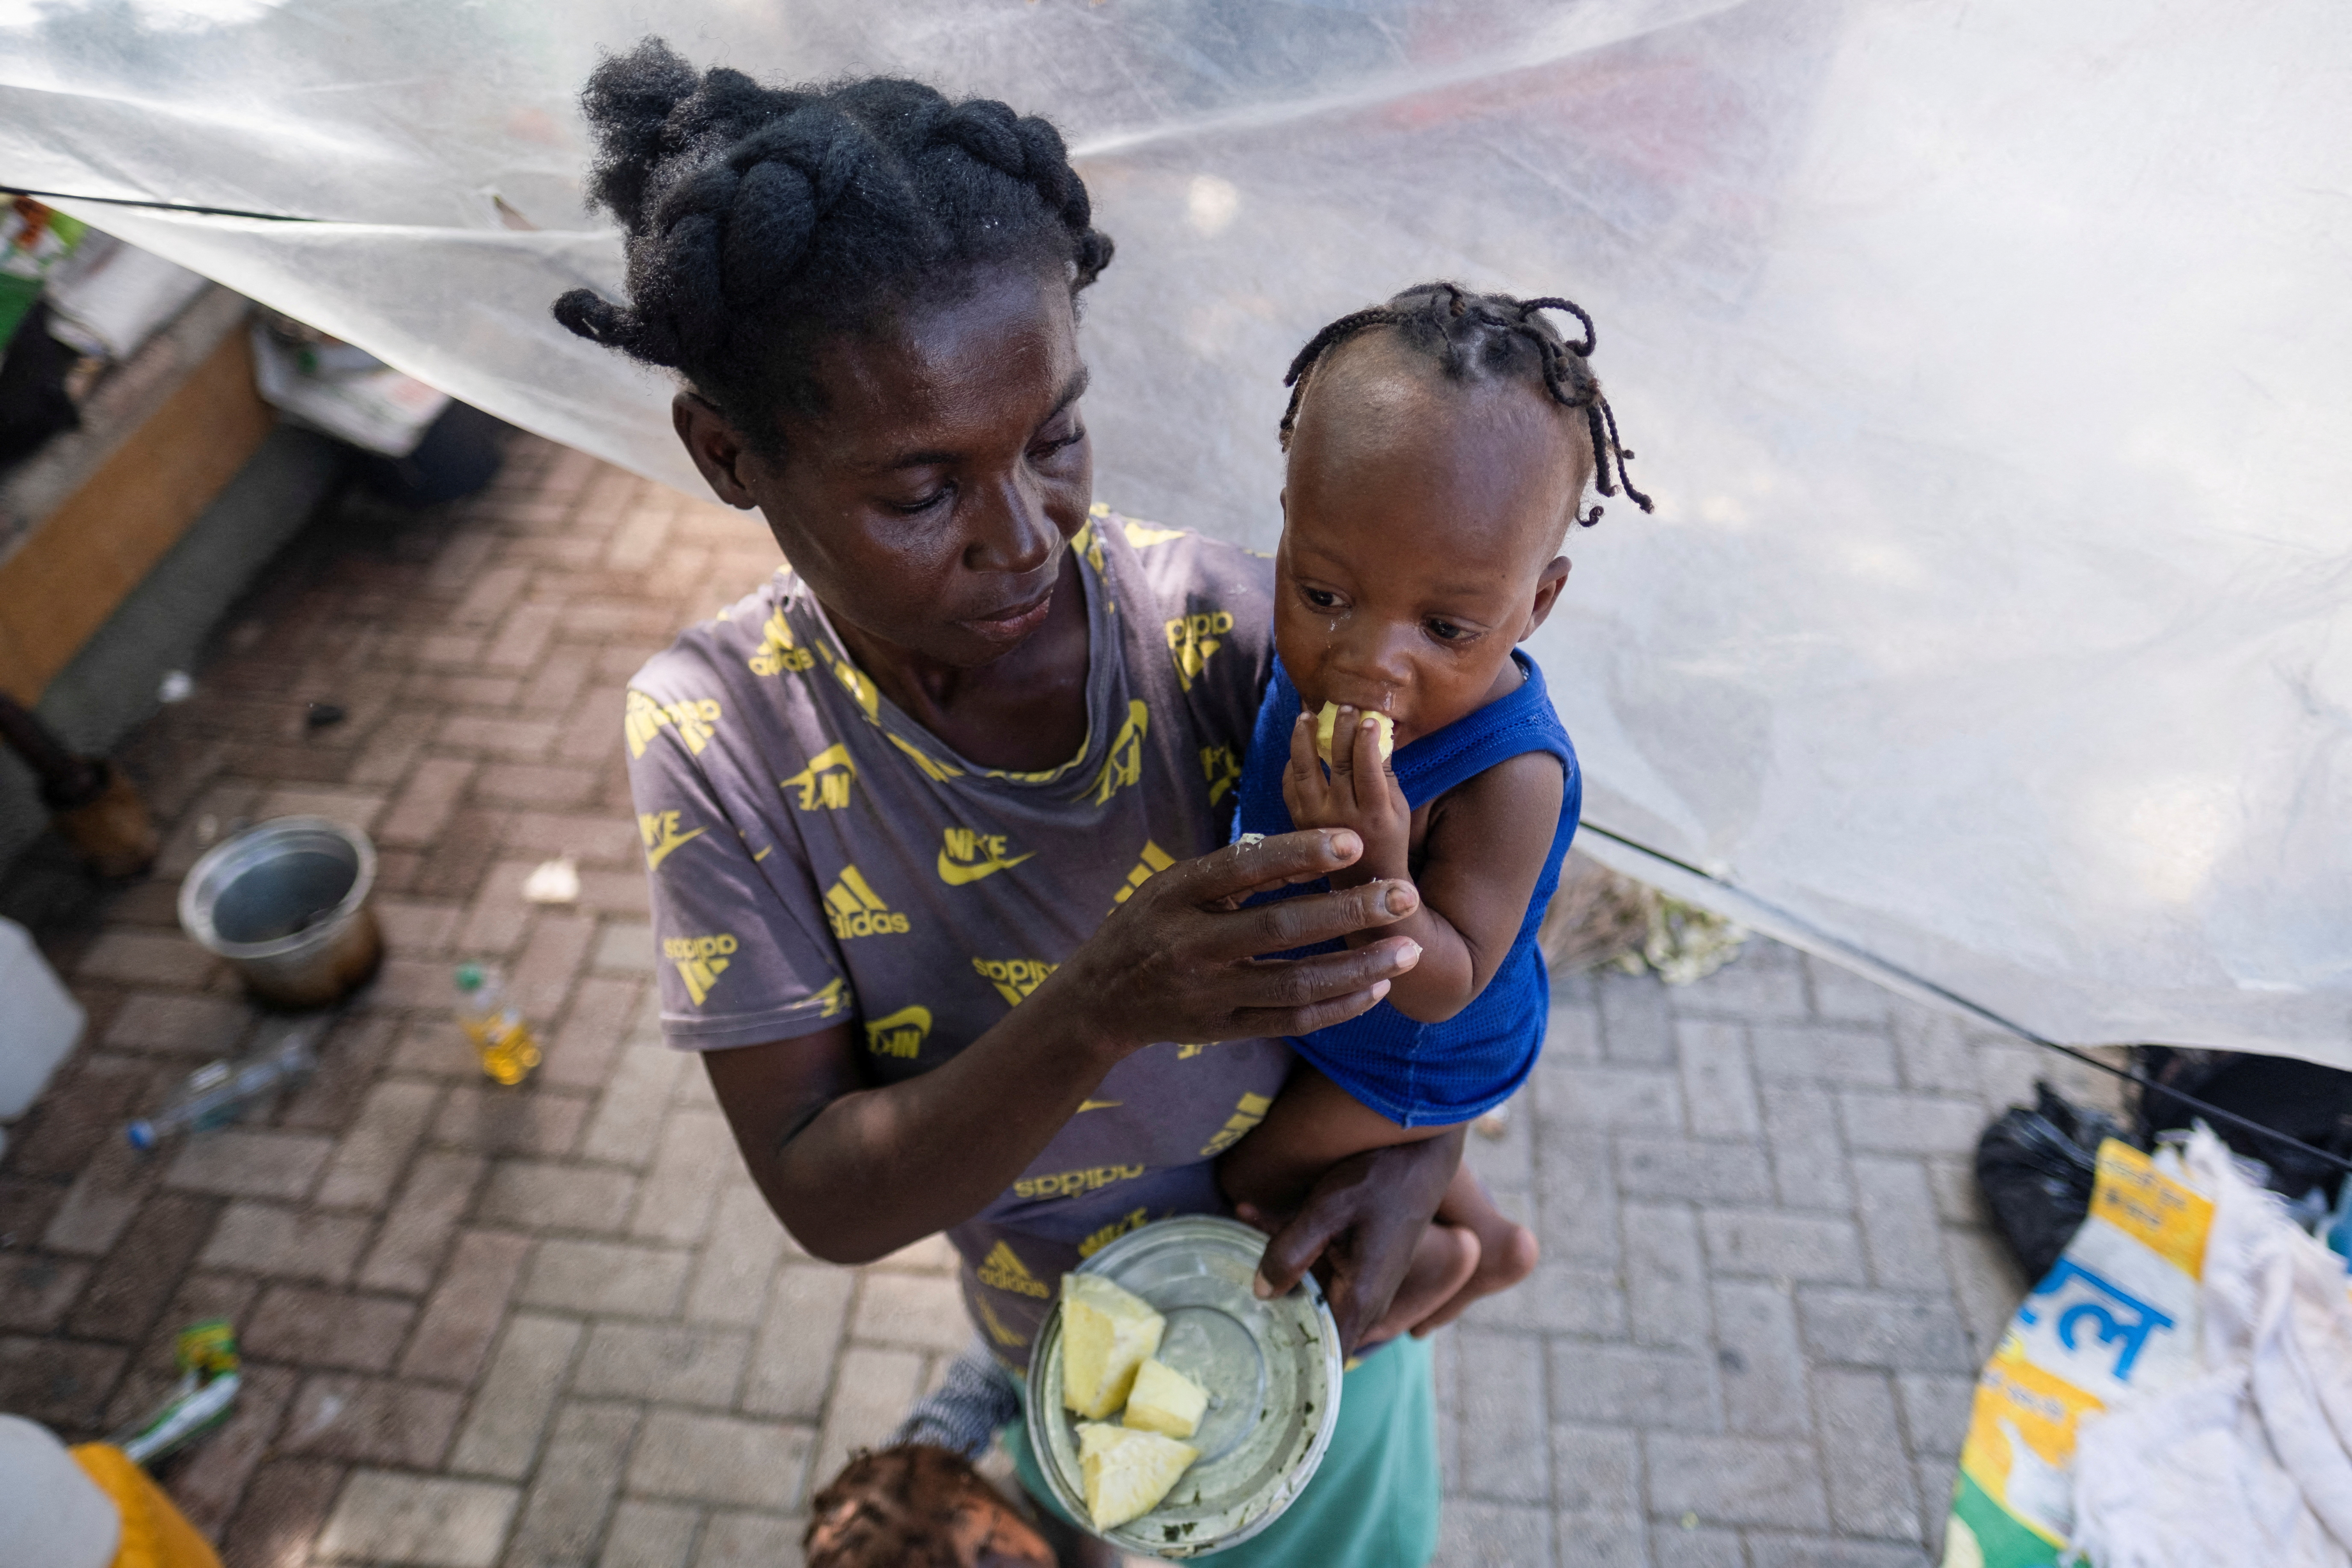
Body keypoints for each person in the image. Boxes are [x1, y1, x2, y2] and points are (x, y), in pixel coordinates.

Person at [556, 39, 1524, 1567]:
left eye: (1055, 435)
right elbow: (827, 1188)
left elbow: (1484, 898)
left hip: (1324, 1321)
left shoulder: (1230, 647)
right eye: (920, 489)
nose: (1025, 537)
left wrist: (1425, 1134)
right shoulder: (722, 740)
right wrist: (1101, 1004)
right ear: (729, 451)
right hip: (1052, 1343)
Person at [1219, 283, 1651, 1329]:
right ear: (1287, 528)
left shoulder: (1510, 775)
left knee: (1252, 1174)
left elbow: (1447, 980)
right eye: (1323, 595)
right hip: (1344, 1008)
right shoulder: (1300, 648)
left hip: (1416, 1046)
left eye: (1447, 628)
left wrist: (1378, 868)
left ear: (1535, 603)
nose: (1368, 662)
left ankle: (1430, 1279)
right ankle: (1494, 1244)